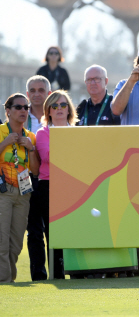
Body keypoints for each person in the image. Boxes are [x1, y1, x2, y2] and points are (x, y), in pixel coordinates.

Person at [36, 90, 79, 280]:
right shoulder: (42, 132)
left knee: (74, 228)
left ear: (69, 109)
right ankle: (57, 274)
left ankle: (78, 272)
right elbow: (47, 157)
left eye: (63, 105)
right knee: (53, 231)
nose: (60, 109)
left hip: (75, 185)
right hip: (49, 185)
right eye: (55, 106)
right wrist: (71, 152)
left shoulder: (80, 131)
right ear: (49, 111)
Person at [0, 93, 40, 283]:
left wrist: (31, 149)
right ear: (8, 111)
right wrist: (4, 144)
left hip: (24, 193)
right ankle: (5, 282)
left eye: (26, 107)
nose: (24, 110)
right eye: (19, 107)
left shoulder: (30, 136)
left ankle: (9, 278)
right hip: (3, 192)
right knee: (1, 240)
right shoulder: (0, 131)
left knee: (16, 243)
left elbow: (35, 170)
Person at [24, 76, 50, 281]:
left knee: (54, 230)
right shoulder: (20, 117)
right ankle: (39, 276)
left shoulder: (56, 117)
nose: (36, 94)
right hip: (27, 179)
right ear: (27, 94)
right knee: (34, 231)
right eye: (32, 90)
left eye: (41, 90)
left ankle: (59, 273)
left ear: (48, 94)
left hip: (51, 180)